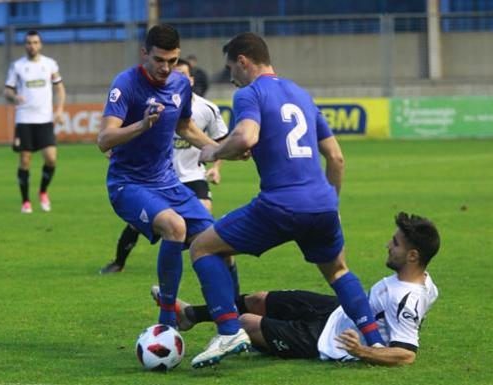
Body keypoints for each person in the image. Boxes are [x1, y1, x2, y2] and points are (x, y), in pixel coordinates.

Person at [187, 32, 385, 368]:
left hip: (280, 204)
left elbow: (246, 136)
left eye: (230, 68)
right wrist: (330, 206)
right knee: (338, 271)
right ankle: (377, 342)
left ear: (244, 61)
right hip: (322, 204)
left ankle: (229, 329)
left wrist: (214, 151)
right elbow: (336, 158)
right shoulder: (302, 94)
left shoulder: (250, 93)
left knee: (203, 247)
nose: (231, 77)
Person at [168, 212, 440, 366]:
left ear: (413, 256)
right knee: (258, 299)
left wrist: (362, 351)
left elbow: (406, 354)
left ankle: (250, 341)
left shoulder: (407, 300)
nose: (388, 246)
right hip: (338, 310)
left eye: (396, 243)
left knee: (245, 323)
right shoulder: (427, 284)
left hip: (327, 339)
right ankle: (190, 315)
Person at [97, 24, 221, 328]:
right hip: (128, 184)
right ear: (144, 54)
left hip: (168, 183)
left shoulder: (180, 84)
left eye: (172, 60)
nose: (165, 68)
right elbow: (104, 139)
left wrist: (221, 149)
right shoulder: (124, 84)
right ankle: (167, 318)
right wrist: (141, 125)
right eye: (159, 60)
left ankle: (230, 320)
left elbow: (185, 127)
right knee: (175, 226)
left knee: (218, 241)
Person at [99, 59, 236, 294]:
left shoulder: (206, 108)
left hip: (191, 176)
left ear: (190, 80)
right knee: (156, 225)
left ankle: (231, 311)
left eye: (176, 67)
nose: (169, 71)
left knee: (209, 232)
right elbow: (106, 138)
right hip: (153, 179)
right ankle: (122, 264)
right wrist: (137, 131)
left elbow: (208, 139)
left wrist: (221, 160)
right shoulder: (132, 86)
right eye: (165, 64)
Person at [4, 30, 65, 214]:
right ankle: (26, 202)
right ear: (25, 45)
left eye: (35, 42)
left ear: (41, 44)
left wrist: (60, 110)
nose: (32, 45)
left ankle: (43, 191)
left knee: (51, 159)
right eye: (29, 42)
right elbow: (7, 90)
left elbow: (60, 89)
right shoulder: (17, 66)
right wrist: (14, 97)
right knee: (25, 161)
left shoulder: (50, 65)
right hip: (24, 119)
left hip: (45, 119)